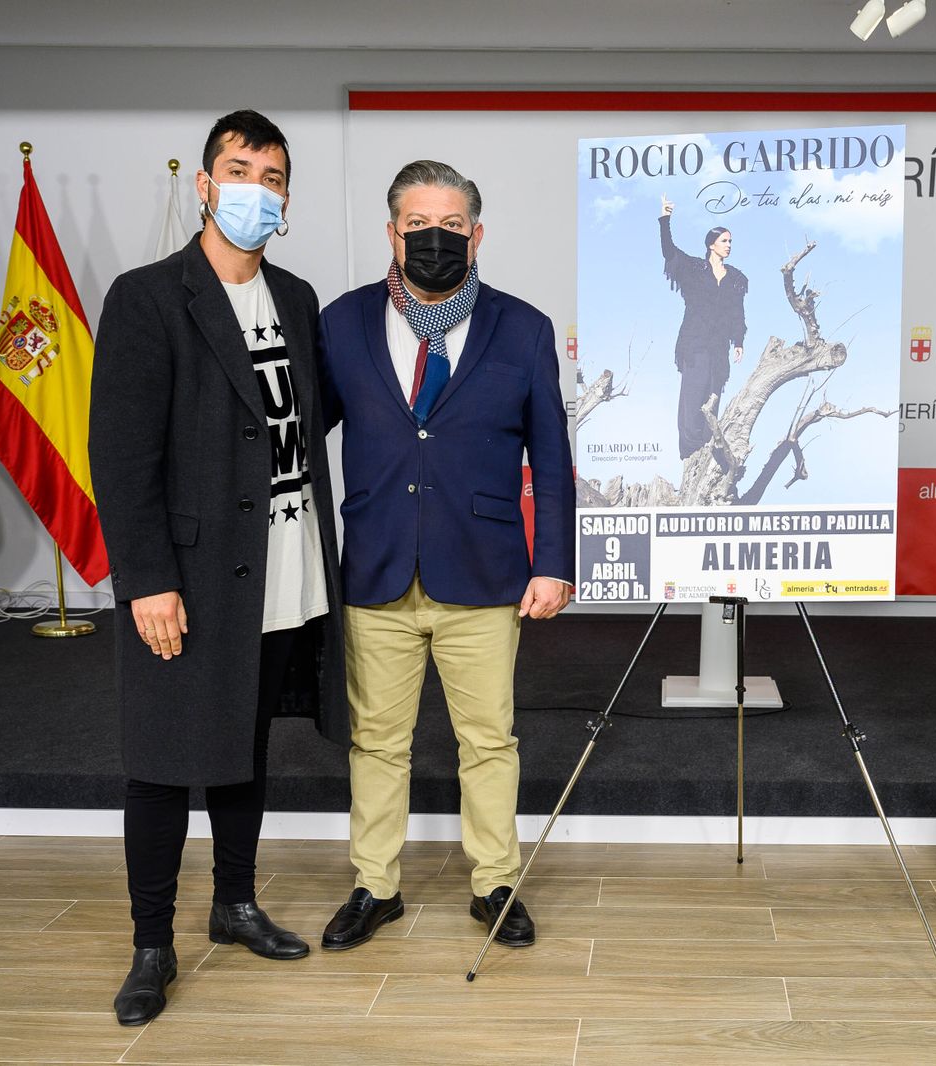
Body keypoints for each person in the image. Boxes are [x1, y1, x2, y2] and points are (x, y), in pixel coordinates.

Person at [89, 110, 346, 1026]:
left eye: (272, 177)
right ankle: (151, 945)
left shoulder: (301, 298)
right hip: (186, 583)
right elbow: (119, 460)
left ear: (286, 197)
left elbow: (306, 420)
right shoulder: (148, 297)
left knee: (243, 751)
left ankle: (233, 904)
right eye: (239, 171)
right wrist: (145, 579)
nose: (256, 190)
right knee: (161, 765)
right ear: (205, 185)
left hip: (283, 568)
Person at [316, 160, 575, 954]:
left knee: (488, 740)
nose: (436, 239)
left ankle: (496, 884)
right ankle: (375, 886)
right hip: (377, 570)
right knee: (377, 743)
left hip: (486, 572)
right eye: (419, 226)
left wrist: (554, 561)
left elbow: (553, 458)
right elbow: (294, 439)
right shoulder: (340, 322)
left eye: (452, 227)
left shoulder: (523, 327)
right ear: (392, 233)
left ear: (477, 235)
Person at [659, 197, 747, 459]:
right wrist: (665, 220)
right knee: (692, 396)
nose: (729, 245)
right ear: (711, 244)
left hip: (719, 347)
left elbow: (737, 313)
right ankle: (690, 453)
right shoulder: (695, 269)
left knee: (712, 397)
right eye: (724, 241)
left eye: (731, 241)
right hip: (694, 343)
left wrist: (739, 341)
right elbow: (669, 252)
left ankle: (708, 451)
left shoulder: (736, 279)